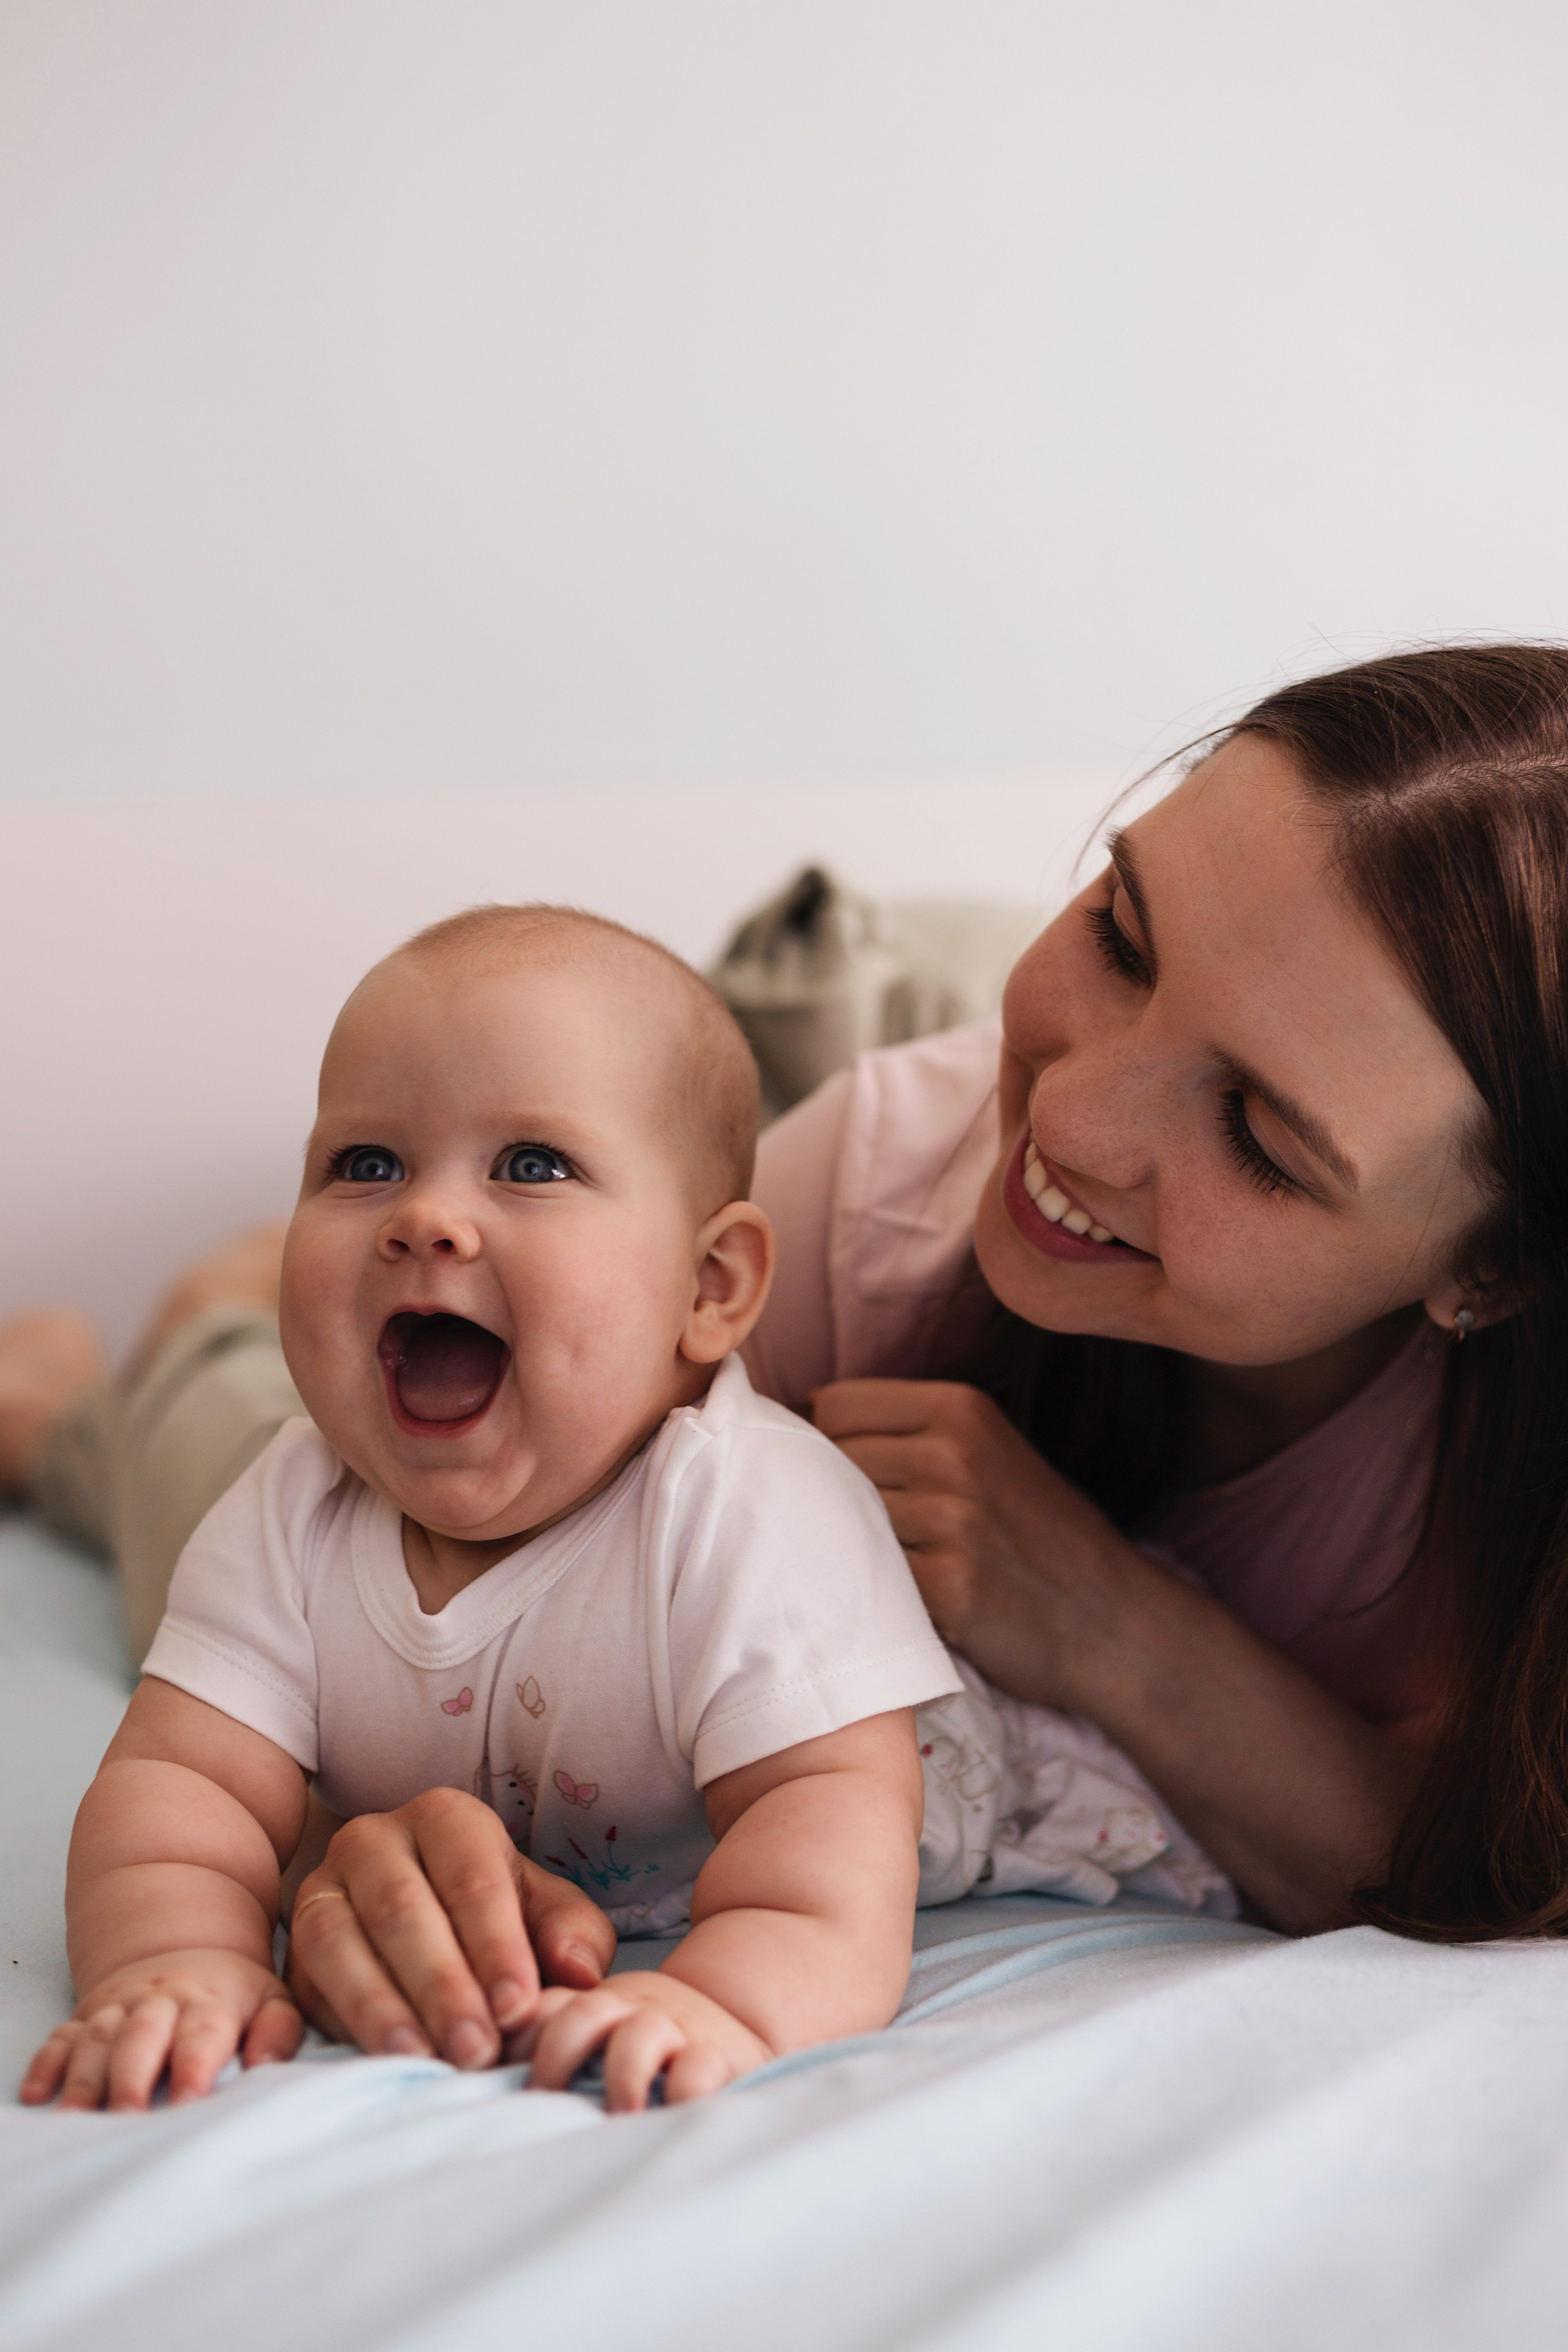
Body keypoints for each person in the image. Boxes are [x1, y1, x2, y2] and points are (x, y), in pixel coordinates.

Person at [9, 643, 1567, 2023]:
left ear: (1486, 1275)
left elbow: (1462, 1865)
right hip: (892, 1067)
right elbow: (385, 1612)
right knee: (277, 1444)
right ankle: (175, 1346)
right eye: (1120, 927)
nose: (1073, 1122)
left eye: (1257, 1132)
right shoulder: (893, 1183)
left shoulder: (1505, 1466)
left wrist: (1098, 1618)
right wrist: (361, 1833)